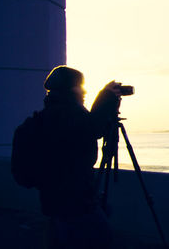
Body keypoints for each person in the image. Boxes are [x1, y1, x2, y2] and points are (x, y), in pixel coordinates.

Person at [36, 65, 121, 249]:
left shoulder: (47, 115)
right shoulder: (67, 115)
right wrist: (105, 98)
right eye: (80, 86)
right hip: (74, 199)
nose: (84, 91)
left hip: (53, 198)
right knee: (101, 236)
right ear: (70, 89)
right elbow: (92, 129)